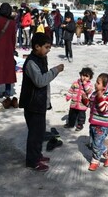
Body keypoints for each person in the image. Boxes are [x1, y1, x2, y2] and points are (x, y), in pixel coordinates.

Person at [19, 32, 64, 172]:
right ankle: (32, 161)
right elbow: (40, 81)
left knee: (39, 133)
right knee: (34, 134)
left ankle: (37, 155)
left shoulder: (41, 57)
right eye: (46, 47)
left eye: (49, 47)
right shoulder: (31, 62)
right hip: (32, 104)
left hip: (39, 103)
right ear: (37, 47)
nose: (48, 50)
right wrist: (55, 70)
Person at [82, 73, 108, 171]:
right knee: (93, 143)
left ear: (105, 88)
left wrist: (100, 96)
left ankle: (95, 161)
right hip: (93, 123)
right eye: (96, 82)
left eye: (98, 83)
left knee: (97, 145)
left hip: (102, 126)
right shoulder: (94, 94)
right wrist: (85, 99)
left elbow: (103, 109)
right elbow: (90, 105)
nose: (95, 84)